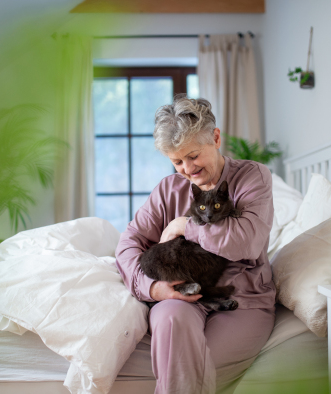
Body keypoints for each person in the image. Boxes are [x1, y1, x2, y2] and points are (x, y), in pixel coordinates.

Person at [115, 96, 276, 394]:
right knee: (172, 323)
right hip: (182, 296)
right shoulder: (168, 189)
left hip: (241, 300)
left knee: (189, 370)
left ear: (215, 138)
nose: (187, 168)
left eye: (193, 156)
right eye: (177, 161)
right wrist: (151, 287)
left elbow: (247, 241)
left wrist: (185, 227)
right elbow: (129, 243)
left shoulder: (252, 177)